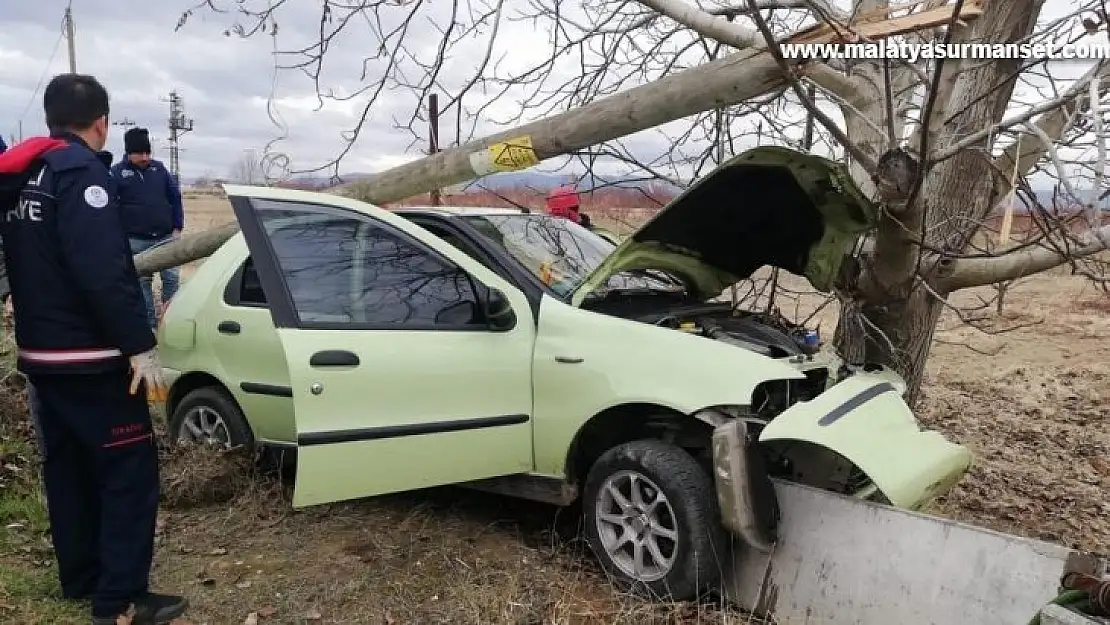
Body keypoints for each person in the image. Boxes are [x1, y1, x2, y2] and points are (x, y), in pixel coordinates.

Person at [0, 73, 186, 625]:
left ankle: (81, 577)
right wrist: (140, 347)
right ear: (102, 122)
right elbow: (103, 273)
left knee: (69, 471)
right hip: (93, 361)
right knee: (127, 472)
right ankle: (121, 598)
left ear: (51, 119)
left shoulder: (23, 178)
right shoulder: (83, 177)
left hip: (42, 357)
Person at [111, 127, 184, 329]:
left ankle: (170, 321)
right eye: (140, 153)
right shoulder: (117, 173)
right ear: (129, 153)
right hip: (135, 241)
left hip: (165, 238)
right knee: (142, 285)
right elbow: (111, 207)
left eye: (147, 152)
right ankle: (149, 326)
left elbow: (175, 197)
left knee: (171, 279)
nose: (145, 157)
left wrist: (178, 225)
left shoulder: (159, 169)